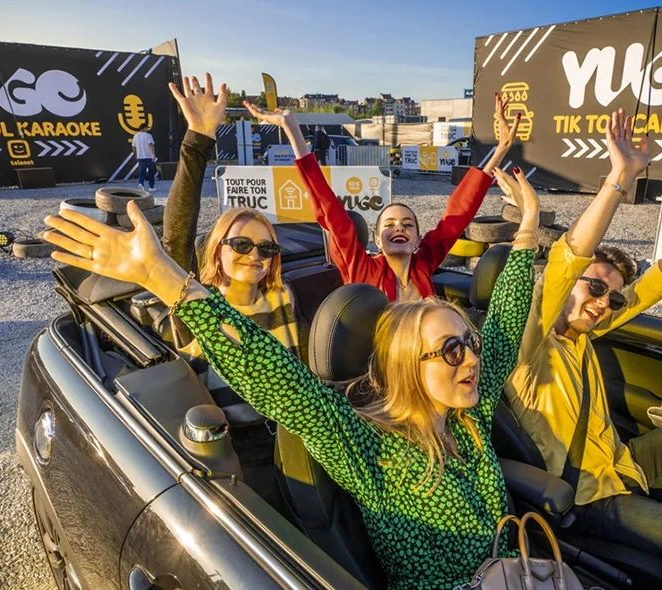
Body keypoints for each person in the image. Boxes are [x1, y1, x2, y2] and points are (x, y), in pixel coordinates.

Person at [41, 165, 543, 590]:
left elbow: (501, 329)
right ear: (409, 367)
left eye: (469, 344)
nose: (473, 359)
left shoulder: (469, 411)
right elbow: (279, 378)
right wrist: (162, 278)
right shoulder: (372, 445)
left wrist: (527, 231)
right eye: (452, 350)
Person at [503, 108, 662, 578]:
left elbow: (652, 286)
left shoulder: (586, 333)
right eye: (594, 287)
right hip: (593, 498)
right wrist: (619, 177)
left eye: (611, 297)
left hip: (625, 465)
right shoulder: (528, 340)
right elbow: (567, 259)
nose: (603, 303)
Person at [243, 93, 520, 302]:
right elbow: (331, 213)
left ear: (417, 240)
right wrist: (292, 129)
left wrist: (501, 149)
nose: (399, 227)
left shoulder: (424, 264)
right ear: (376, 241)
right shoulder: (360, 268)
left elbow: (456, 217)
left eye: (407, 225)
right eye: (388, 225)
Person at [160, 74, 305, 366]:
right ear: (217, 250)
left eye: (267, 249)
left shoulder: (282, 299)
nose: (255, 255)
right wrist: (198, 138)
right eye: (241, 244)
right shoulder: (200, 306)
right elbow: (177, 239)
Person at [132, 123, 157, 192]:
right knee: (151, 172)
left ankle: (141, 183)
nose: (148, 129)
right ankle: (151, 186)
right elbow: (151, 145)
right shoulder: (148, 136)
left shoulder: (136, 136)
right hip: (148, 156)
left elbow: (134, 146)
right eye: (147, 128)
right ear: (144, 128)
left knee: (142, 171)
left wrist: (136, 154)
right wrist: (153, 155)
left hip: (140, 156)